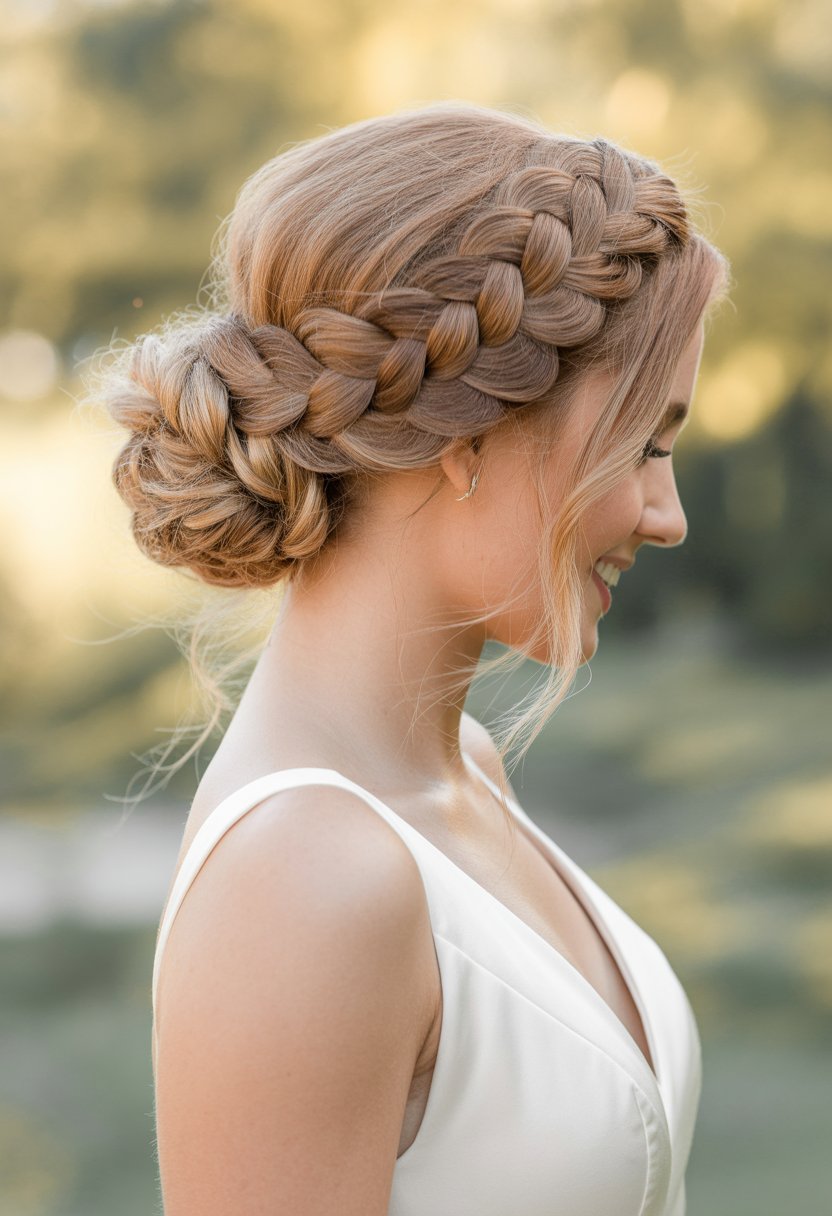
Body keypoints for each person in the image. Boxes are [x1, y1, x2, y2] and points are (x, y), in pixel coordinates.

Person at [99, 102, 729, 1214]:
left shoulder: (464, 772)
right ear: (471, 429)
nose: (664, 512)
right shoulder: (306, 876)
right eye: (644, 440)